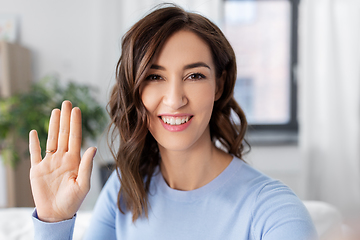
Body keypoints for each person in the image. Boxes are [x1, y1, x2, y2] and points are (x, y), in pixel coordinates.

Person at [29, 4, 318, 240]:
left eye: (195, 76)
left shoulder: (275, 212)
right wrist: (54, 222)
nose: (174, 99)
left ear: (219, 85)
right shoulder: (124, 189)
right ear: (136, 89)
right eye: (155, 76)